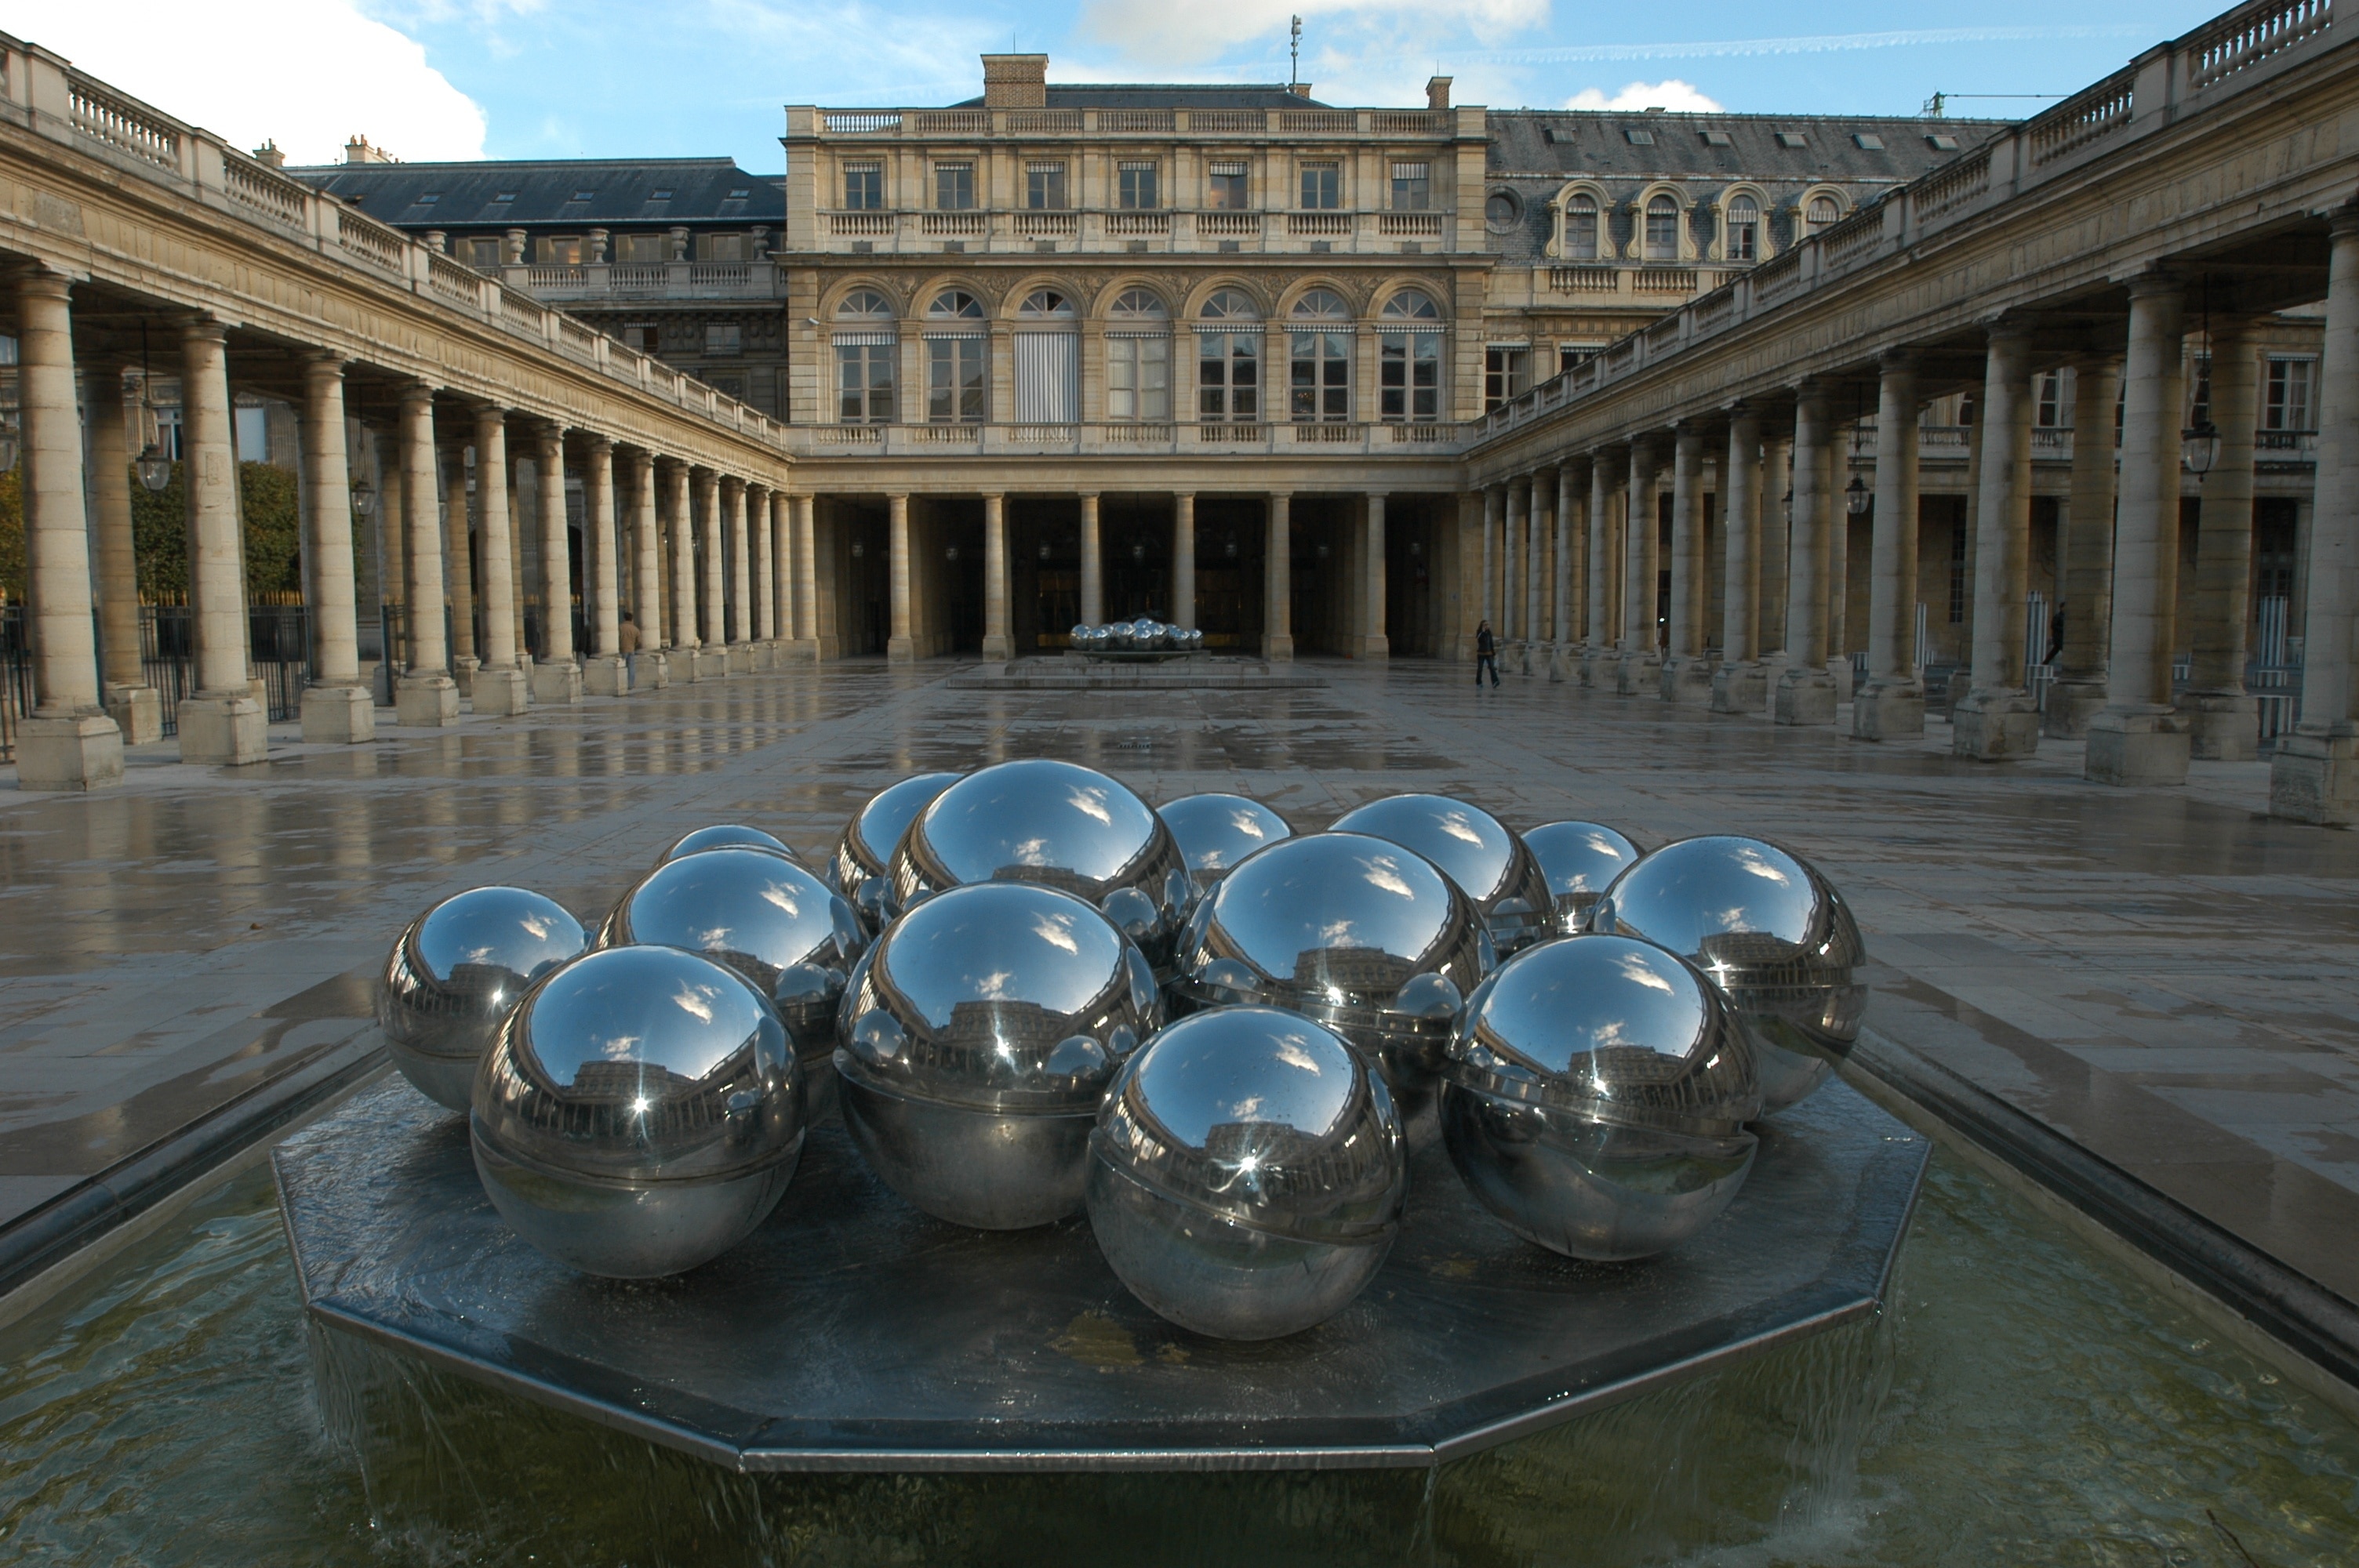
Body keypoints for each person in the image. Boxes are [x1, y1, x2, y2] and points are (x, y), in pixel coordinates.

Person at [617, 612, 642, 688]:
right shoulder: (635, 629)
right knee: (631, 667)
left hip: (622, 649)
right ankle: (631, 684)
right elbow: (639, 641)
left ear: (624, 618)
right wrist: (634, 645)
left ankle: (622, 683)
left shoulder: (620, 627)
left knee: (622, 667)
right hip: (631, 649)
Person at [1475, 619, 1500, 688]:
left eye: (1487, 625)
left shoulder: (1489, 633)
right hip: (1481, 653)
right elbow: (1479, 639)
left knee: (1492, 668)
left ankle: (1495, 681)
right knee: (1480, 669)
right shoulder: (1480, 633)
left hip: (1489, 653)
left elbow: (1491, 643)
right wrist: (1483, 632)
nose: (1487, 626)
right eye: (1485, 625)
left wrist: (1493, 652)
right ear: (1482, 626)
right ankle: (1479, 682)